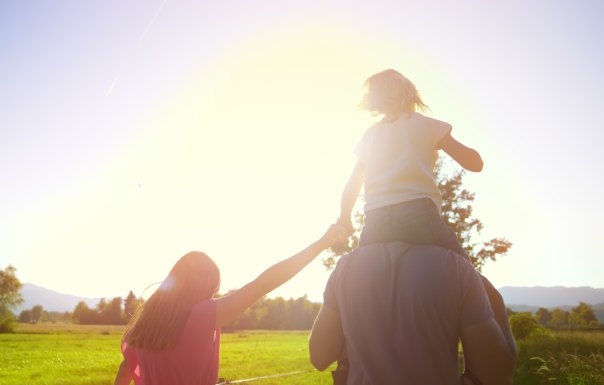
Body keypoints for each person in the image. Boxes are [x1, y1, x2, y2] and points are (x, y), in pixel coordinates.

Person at [113, 224, 348, 385]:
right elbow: (264, 283)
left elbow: (125, 370)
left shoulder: (146, 322)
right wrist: (322, 243)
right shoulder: (203, 314)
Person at [309, 242, 517, 385]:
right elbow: (498, 376)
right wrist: (494, 300)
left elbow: (319, 357)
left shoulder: (347, 267)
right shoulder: (456, 268)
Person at [337, 69, 484, 257]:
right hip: (418, 213)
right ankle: (481, 288)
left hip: (376, 218)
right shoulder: (429, 125)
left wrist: (345, 217)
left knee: (362, 274)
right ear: (410, 93)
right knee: (463, 270)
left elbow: (354, 181)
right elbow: (475, 164)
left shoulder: (371, 134)